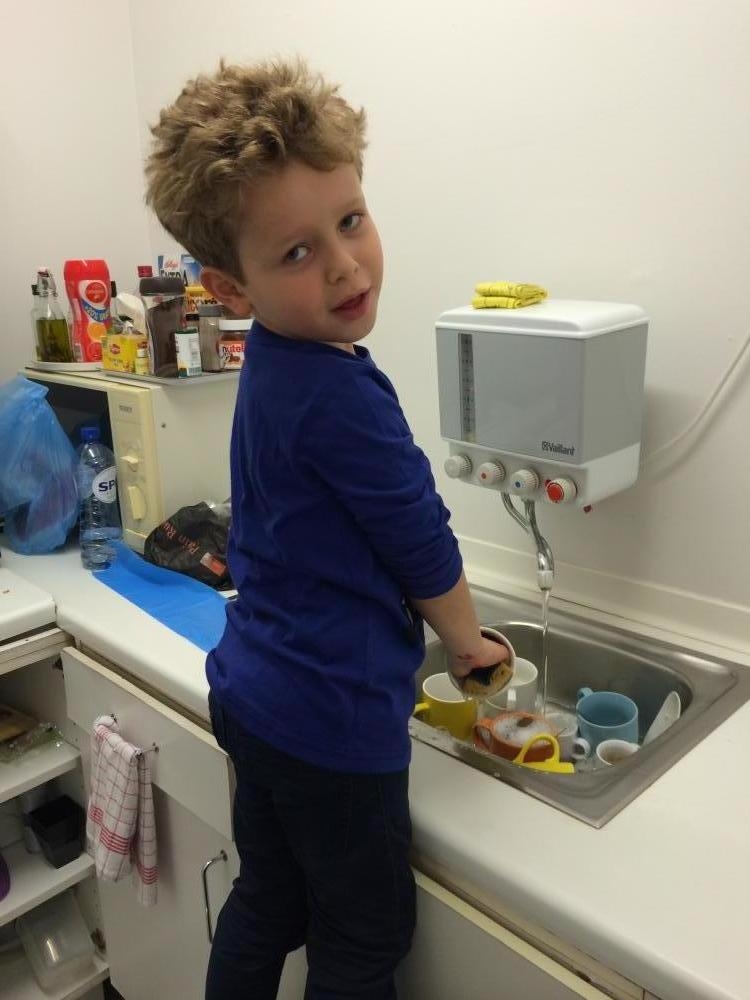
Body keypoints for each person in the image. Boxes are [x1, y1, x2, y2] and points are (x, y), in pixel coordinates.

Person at [145, 57, 508, 1000]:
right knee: (362, 939)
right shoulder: (342, 394)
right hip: (329, 726)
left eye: (350, 220)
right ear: (231, 289)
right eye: (297, 252)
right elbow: (418, 541)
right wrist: (471, 646)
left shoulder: (276, 357)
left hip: (252, 693)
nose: (345, 264)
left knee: (268, 898)